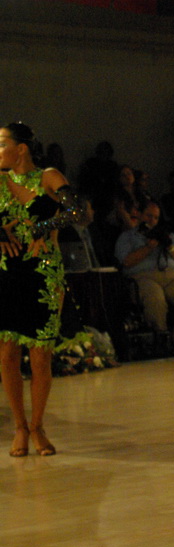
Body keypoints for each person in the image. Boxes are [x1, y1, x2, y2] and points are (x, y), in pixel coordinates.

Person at [0, 122, 78, 456]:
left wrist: (40, 228)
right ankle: (19, 427)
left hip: (43, 271)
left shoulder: (48, 176)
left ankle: (37, 426)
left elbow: (75, 212)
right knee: (7, 353)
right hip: (6, 271)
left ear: (21, 148)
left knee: (40, 356)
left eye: (1, 143)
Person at [115, 201, 174, 354]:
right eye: (149, 216)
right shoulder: (128, 237)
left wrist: (169, 246)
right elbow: (126, 261)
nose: (152, 221)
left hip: (170, 276)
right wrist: (149, 247)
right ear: (139, 214)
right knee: (155, 297)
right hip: (143, 276)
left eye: (156, 218)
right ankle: (161, 338)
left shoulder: (168, 235)